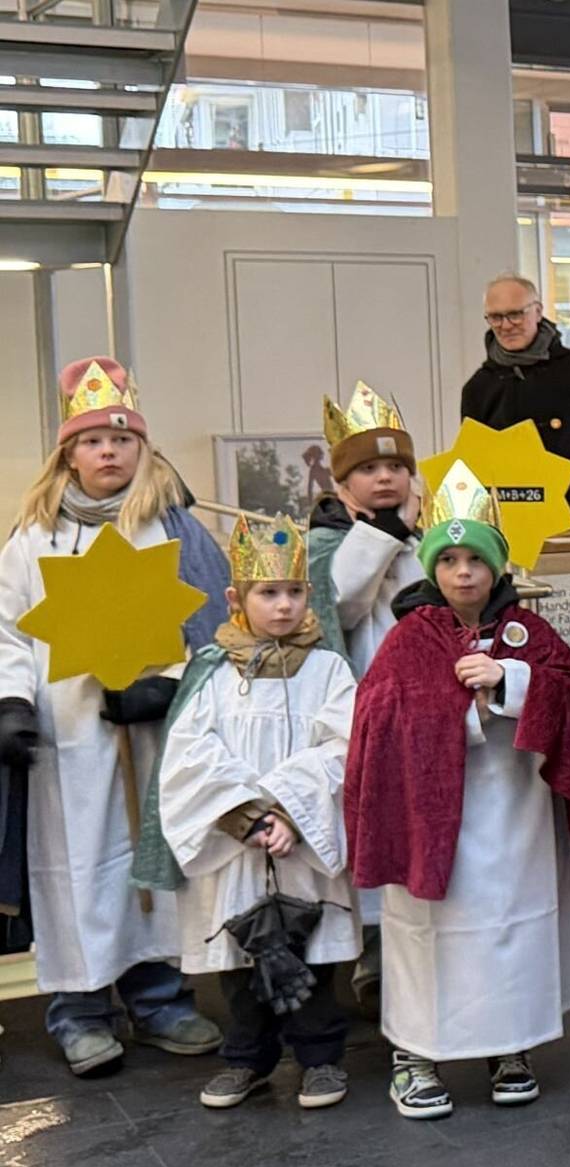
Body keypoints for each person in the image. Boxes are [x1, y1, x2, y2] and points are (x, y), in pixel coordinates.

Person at [344, 461, 570, 1119]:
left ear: (497, 566)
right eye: (449, 559)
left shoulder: (530, 633)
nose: (463, 572)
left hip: (512, 816)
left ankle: (509, 1045)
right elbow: (377, 718)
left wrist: (511, 680)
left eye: (476, 559)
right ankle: (415, 1053)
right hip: (435, 828)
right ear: (432, 567)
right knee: (432, 933)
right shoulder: (407, 639)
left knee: (507, 929)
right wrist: (457, 705)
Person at [0, 357, 229, 1077]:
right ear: (69, 452)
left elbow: (221, 628)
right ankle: (79, 1010)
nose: (109, 452)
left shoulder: (175, 531)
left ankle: (161, 999)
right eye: (94, 441)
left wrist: (172, 685)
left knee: (150, 866)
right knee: (75, 870)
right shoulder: (33, 538)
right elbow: (6, 628)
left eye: (123, 441)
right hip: (68, 738)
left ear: (144, 449)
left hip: (155, 735)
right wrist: (10, 700)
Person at [152, 515, 359, 1111]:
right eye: (269, 593)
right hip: (236, 842)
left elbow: (343, 747)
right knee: (242, 958)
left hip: (303, 839)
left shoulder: (328, 669)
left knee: (311, 956)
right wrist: (246, 816)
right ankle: (247, 1061)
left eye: (295, 592)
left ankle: (320, 1059)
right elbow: (191, 754)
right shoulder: (213, 670)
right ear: (236, 599)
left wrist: (291, 812)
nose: (284, 606)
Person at [306, 380, 422, 1011]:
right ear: (344, 481)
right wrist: (380, 536)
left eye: (397, 467)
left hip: (422, 711)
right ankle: (370, 957)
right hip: (360, 715)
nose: (385, 480)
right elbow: (341, 602)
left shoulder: (426, 537)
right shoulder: (327, 538)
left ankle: (407, 952)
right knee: (368, 836)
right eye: (370, 469)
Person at [460, 274, 570, 530]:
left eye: (516, 314)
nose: (506, 325)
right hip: (509, 528)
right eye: (496, 317)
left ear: (538, 312)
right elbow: (475, 465)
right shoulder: (478, 387)